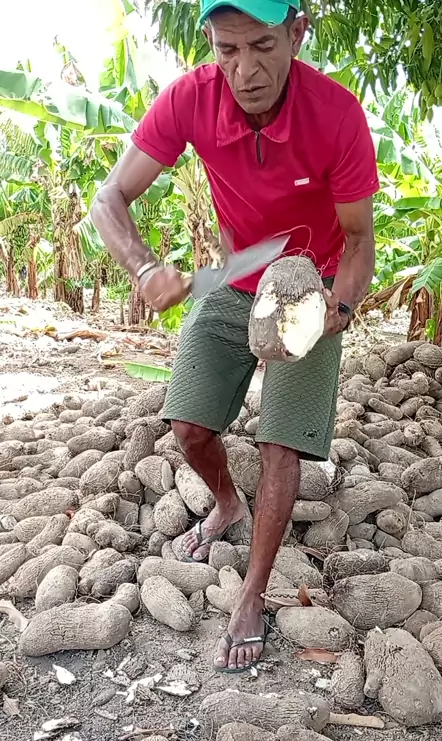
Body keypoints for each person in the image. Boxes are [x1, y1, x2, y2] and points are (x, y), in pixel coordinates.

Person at [91, 0, 378, 674]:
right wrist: (145, 268)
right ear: (212, 45)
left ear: (296, 34)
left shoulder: (336, 115)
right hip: (238, 277)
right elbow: (109, 199)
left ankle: (252, 592)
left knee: (281, 444)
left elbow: (360, 239)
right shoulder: (190, 99)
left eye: (262, 46)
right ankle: (226, 502)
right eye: (227, 50)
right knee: (188, 426)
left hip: (311, 284)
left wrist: (338, 306)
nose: (245, 70)